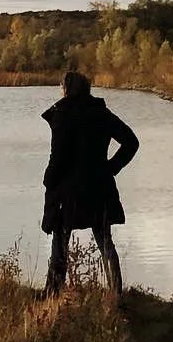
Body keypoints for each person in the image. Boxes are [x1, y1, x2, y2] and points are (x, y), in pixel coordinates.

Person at [40, 71, 139, 297]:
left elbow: (57, 157)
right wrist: (110, 168)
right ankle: (116, 295)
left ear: (66, 88)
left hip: (67, 191)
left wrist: (48, 180)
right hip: (99, 186)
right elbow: (131, 142)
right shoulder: (101, 114)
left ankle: (53, 293)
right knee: (105, 242)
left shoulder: (62, 115)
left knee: (60, 241)